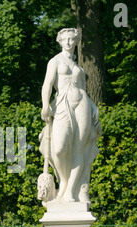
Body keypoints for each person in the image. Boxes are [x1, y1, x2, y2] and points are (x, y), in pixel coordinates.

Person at [38, 28, 101, 204]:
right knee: (58, 148)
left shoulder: (79, 67)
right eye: (65, 39)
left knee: (79, 148)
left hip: (82, 104)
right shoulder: (55, 62)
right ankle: (64, 182)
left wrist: (93, 106)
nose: (68, 43)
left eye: (72, 40)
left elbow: (83, 90)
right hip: (62, 104)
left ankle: (71, 191)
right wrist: (45, 104)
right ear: (60, 41)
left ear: (76, 42)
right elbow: (47, 85)